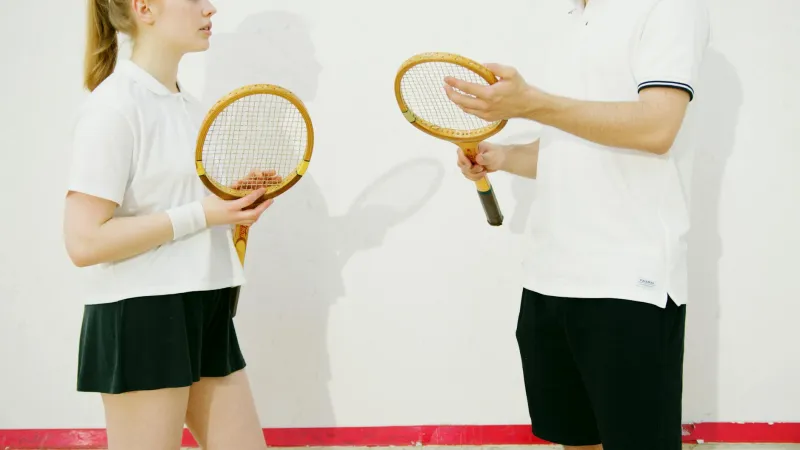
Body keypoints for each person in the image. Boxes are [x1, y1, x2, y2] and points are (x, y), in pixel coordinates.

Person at [445, 0, 710, 449]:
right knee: (575, 439)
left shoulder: (669, 7)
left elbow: (657, 127)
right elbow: (568, 146)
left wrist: (533, 103)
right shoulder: (571, 24)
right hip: (549, 278)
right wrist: (504, 157)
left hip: (628, 282)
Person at [63, 0, 275, 448]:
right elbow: (83, 241)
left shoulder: (190, 108)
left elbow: (176, 211)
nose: (210, 9)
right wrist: (203, 213)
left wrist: (230, 206)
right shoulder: (114, 107)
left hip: (206, 305)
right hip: (143, 314)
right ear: (145, 8)